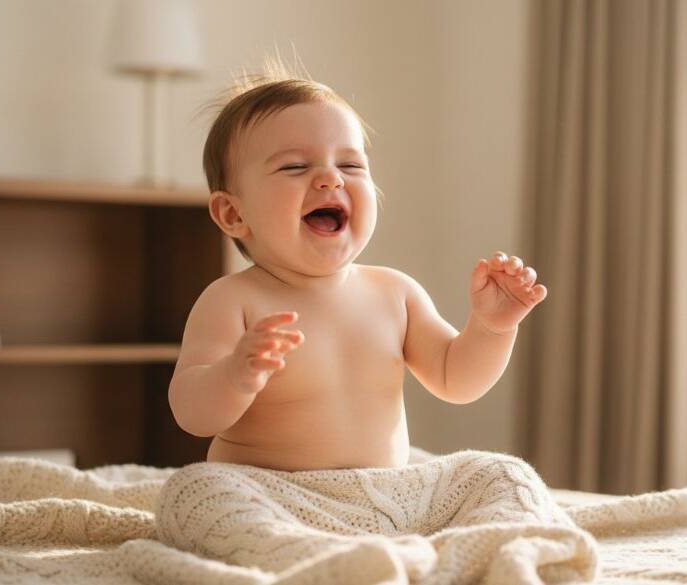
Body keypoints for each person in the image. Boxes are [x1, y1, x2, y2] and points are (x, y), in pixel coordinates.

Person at [168, 62, 548, 472]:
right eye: (295, 166)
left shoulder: (395, 293)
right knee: (203, 495)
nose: (331, 179)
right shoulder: (232, 301)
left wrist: (492, 328)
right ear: (233, 213)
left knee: (499, 474)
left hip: (377, 489)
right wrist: (234, 375)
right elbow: (193, 415)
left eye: (350, 166)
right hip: (269, 490)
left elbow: (456, 381)